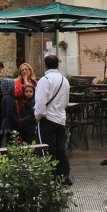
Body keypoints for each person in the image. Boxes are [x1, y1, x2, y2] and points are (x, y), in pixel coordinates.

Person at [34, 54, 70, 184]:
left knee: (47, 149)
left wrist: (38, 116)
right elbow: (66, 101)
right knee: (61, 149)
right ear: (58, 64)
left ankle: (50, 176)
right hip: (61, 118)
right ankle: (64, 176)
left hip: (47, 119)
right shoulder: (64, 80)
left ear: (45, 65)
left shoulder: (45, 80)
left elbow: (40, 101)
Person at [0, 77, 19, 144]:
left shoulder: (5, 96)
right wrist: (17, 121)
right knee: (11, 142)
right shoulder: (9, 97)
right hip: (10, 123)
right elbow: (9, 112)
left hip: (7, 122)